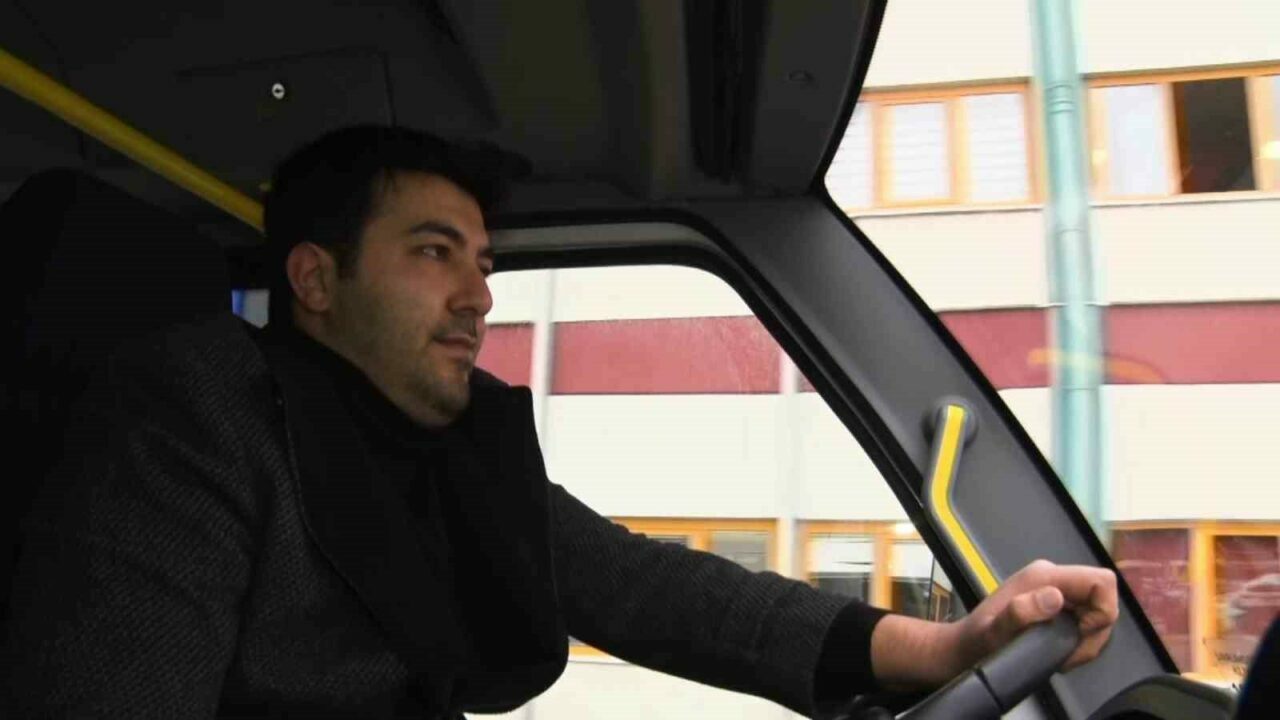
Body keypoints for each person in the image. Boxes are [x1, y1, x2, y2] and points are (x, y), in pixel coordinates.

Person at [5, 125, 1119, 718]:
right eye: (433, 253)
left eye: (483, 264)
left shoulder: (446, 440)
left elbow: (649, 588)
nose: (478, 296)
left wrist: (942, 647)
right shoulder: (192, 414)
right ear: (315, 278)